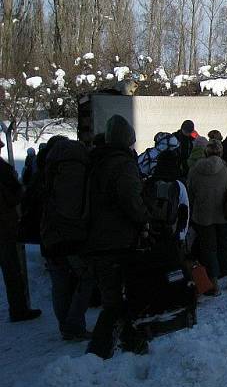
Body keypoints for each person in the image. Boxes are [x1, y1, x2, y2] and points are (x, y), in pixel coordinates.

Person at [83, 115, 149, 358]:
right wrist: (144, 217)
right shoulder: (122, 164)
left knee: (115, 296)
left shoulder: (96, 160)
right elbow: (131, 200)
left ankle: (128, 341)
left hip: (97, 238)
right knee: (119, 298)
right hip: (117, 239)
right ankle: (100, 351)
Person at [40, 136, 95, 340]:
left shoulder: (49, 166)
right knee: (87, 277)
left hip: (49, 233)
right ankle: (74, 325)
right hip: (70, 236)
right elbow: (74, 208)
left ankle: (65, 325)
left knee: (60, 282)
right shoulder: (75, 169)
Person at [186, 139, 227, 295]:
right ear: (221, 152)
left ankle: (214, 285)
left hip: (203, 217)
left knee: (209, 251)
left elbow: (190, 193)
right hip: (224, 214)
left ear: (205, 152)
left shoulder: (195, 169)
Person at [0, 136, 41, 323]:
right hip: (4, 227)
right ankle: (18, 309)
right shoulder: (2, 170)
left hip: (5, 225)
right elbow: (12, 196)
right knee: (12, 270)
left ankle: (19, 308)